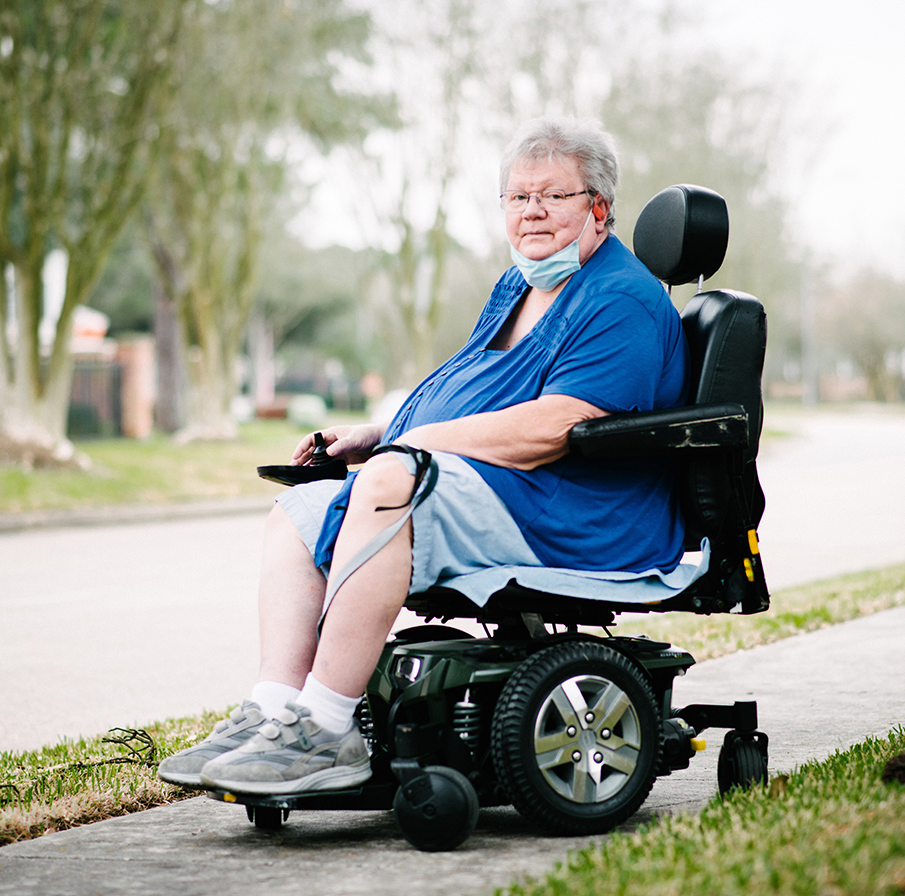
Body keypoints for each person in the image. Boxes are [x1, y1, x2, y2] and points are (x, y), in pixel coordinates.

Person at [158, 116, 695, 796]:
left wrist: (409, 449)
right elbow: (468, 389)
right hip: (499, 489)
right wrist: (382, 433)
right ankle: (274, 709)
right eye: (516, 196)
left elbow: (558, 426)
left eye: (553, 196)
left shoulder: (621, 299)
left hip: (577, 509)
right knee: (298, 508)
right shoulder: (519, 287)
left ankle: (327, 728)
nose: (531, 210)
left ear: (598, 207)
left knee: (387, 482)